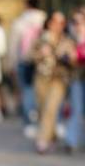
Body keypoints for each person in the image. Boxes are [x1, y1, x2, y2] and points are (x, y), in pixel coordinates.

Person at [31, 11, 77, 154]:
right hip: (42, 77)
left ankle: (42, 140)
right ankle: (52, 136)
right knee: (43, 109)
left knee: (51, 108)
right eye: (56, 22)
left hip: (59, 79)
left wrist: (67, 57)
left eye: (62, 23)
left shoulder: (67, 40)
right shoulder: (41, 39)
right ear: (49, 23)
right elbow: (29, 56)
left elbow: (73, 60)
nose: (59, 26)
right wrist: (40, 53)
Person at [8, 0, 47, 137]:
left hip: (24, 60)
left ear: (26, 5)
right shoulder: (45, 20)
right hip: (44, 62)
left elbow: (13, 45)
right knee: (41, 91)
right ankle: (41, 119)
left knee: (27, 91)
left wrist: (11, 63)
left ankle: (29, 122)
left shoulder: (20, 22)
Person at [65, 9, 85, 152]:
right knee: (76, 109)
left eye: (80, 21)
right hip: (77, 77)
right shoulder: (70, 39)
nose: (77, 25)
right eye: (75, 22)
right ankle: (72, 141)